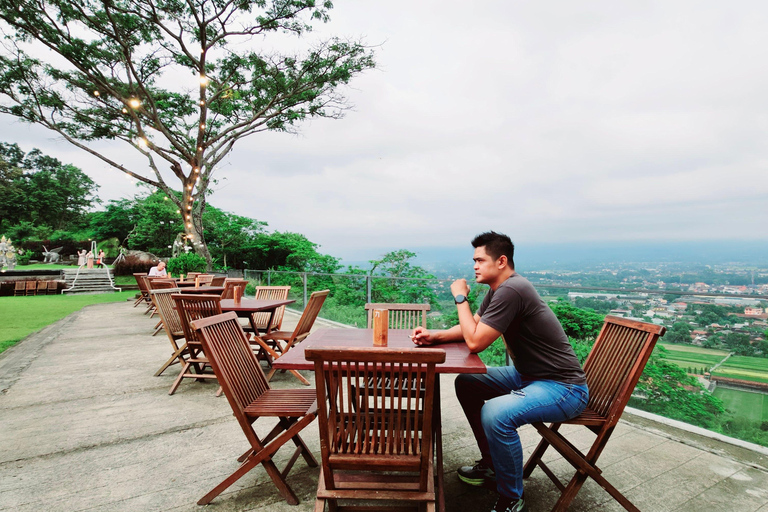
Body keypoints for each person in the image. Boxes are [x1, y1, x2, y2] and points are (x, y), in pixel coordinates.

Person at [412, 232, 588, 512]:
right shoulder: (499, 290)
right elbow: (475, 326)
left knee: (495, 414)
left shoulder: (513, 290)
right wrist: (437, 335)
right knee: (468, 382)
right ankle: (492, 464)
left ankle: (510, 497)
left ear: (502, 261)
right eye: (474, 260)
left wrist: (460, 298)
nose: (475, 266)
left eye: (480, 260)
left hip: (563, 388)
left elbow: (475, 342)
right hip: (529, 376)